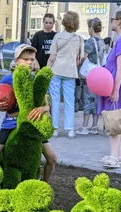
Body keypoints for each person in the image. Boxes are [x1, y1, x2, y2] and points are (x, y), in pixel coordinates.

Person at [0, 44, 57, 182]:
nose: (29, 62)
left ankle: (44, 184)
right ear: (16, 61)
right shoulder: (8, 79)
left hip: (32, 124)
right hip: (11, 123)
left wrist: (42, 109)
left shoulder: (35, 80)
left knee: (52, 158)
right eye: (25, 59)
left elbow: (48, 104)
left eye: (31, 59)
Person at [99, 11, 121, 168]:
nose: (111, 21)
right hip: (118, 82)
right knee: (118, 119)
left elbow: (120, 67)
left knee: (113, 119)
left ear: (119, 22)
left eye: (113, 19)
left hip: (116, 83)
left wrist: (115, 89)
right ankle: (117, 155)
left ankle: (114, 157)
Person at [47, 11, 84, 139]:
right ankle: (70, 130)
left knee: (55, 100)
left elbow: (52, 57)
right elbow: (80, 59)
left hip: (56, 71)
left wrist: (47, 69)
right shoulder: (79, 39)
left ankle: (55, 129)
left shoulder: (57, 37)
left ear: (64, 22)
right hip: (70, 72)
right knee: (69, 101)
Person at [75, 18, 105, 136]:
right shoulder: (102, 41)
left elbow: (83, 57)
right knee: (96, 100)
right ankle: (95, 125)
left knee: (88, 98)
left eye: (88, 27)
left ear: (91, 28)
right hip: (100, 74)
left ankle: (85, 125)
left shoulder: (90, 42)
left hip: (90, 75)